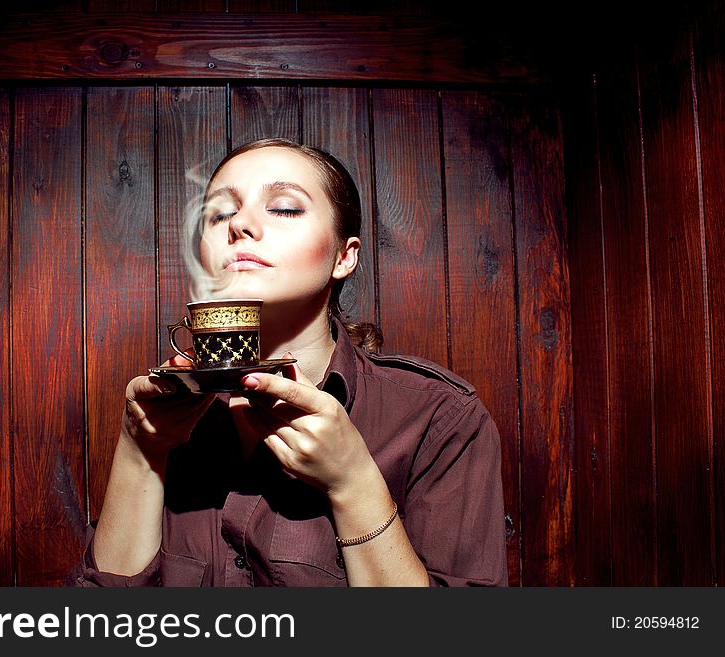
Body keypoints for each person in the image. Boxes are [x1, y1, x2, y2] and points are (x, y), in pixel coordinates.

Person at [69, 138, 507, 587]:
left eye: (283, 208)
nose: (238, 223)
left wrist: (352, 483)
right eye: (219, 214)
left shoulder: (440, 418)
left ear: (343, 256)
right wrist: (140, 449)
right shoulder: (166, 413)